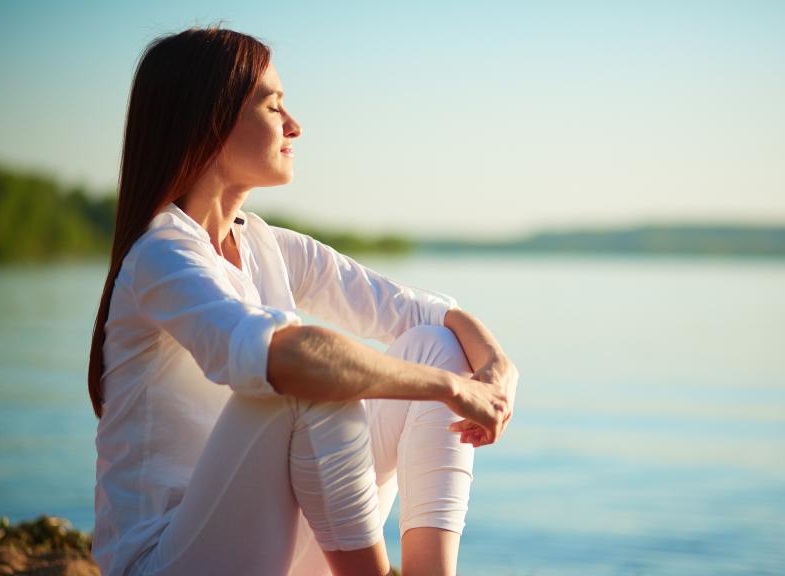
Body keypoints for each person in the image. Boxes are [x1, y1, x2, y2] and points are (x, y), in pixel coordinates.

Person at [87, 26, 518, 576]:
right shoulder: (162, 254)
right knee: (304, 378)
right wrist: (453, 389)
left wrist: (494, 367)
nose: (295, 125)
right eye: (273, 106)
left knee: (433, 345)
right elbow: (289, 360)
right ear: (209, 121)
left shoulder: (266, 244)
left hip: (269, 549)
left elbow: (430, 315)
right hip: (168, 560)